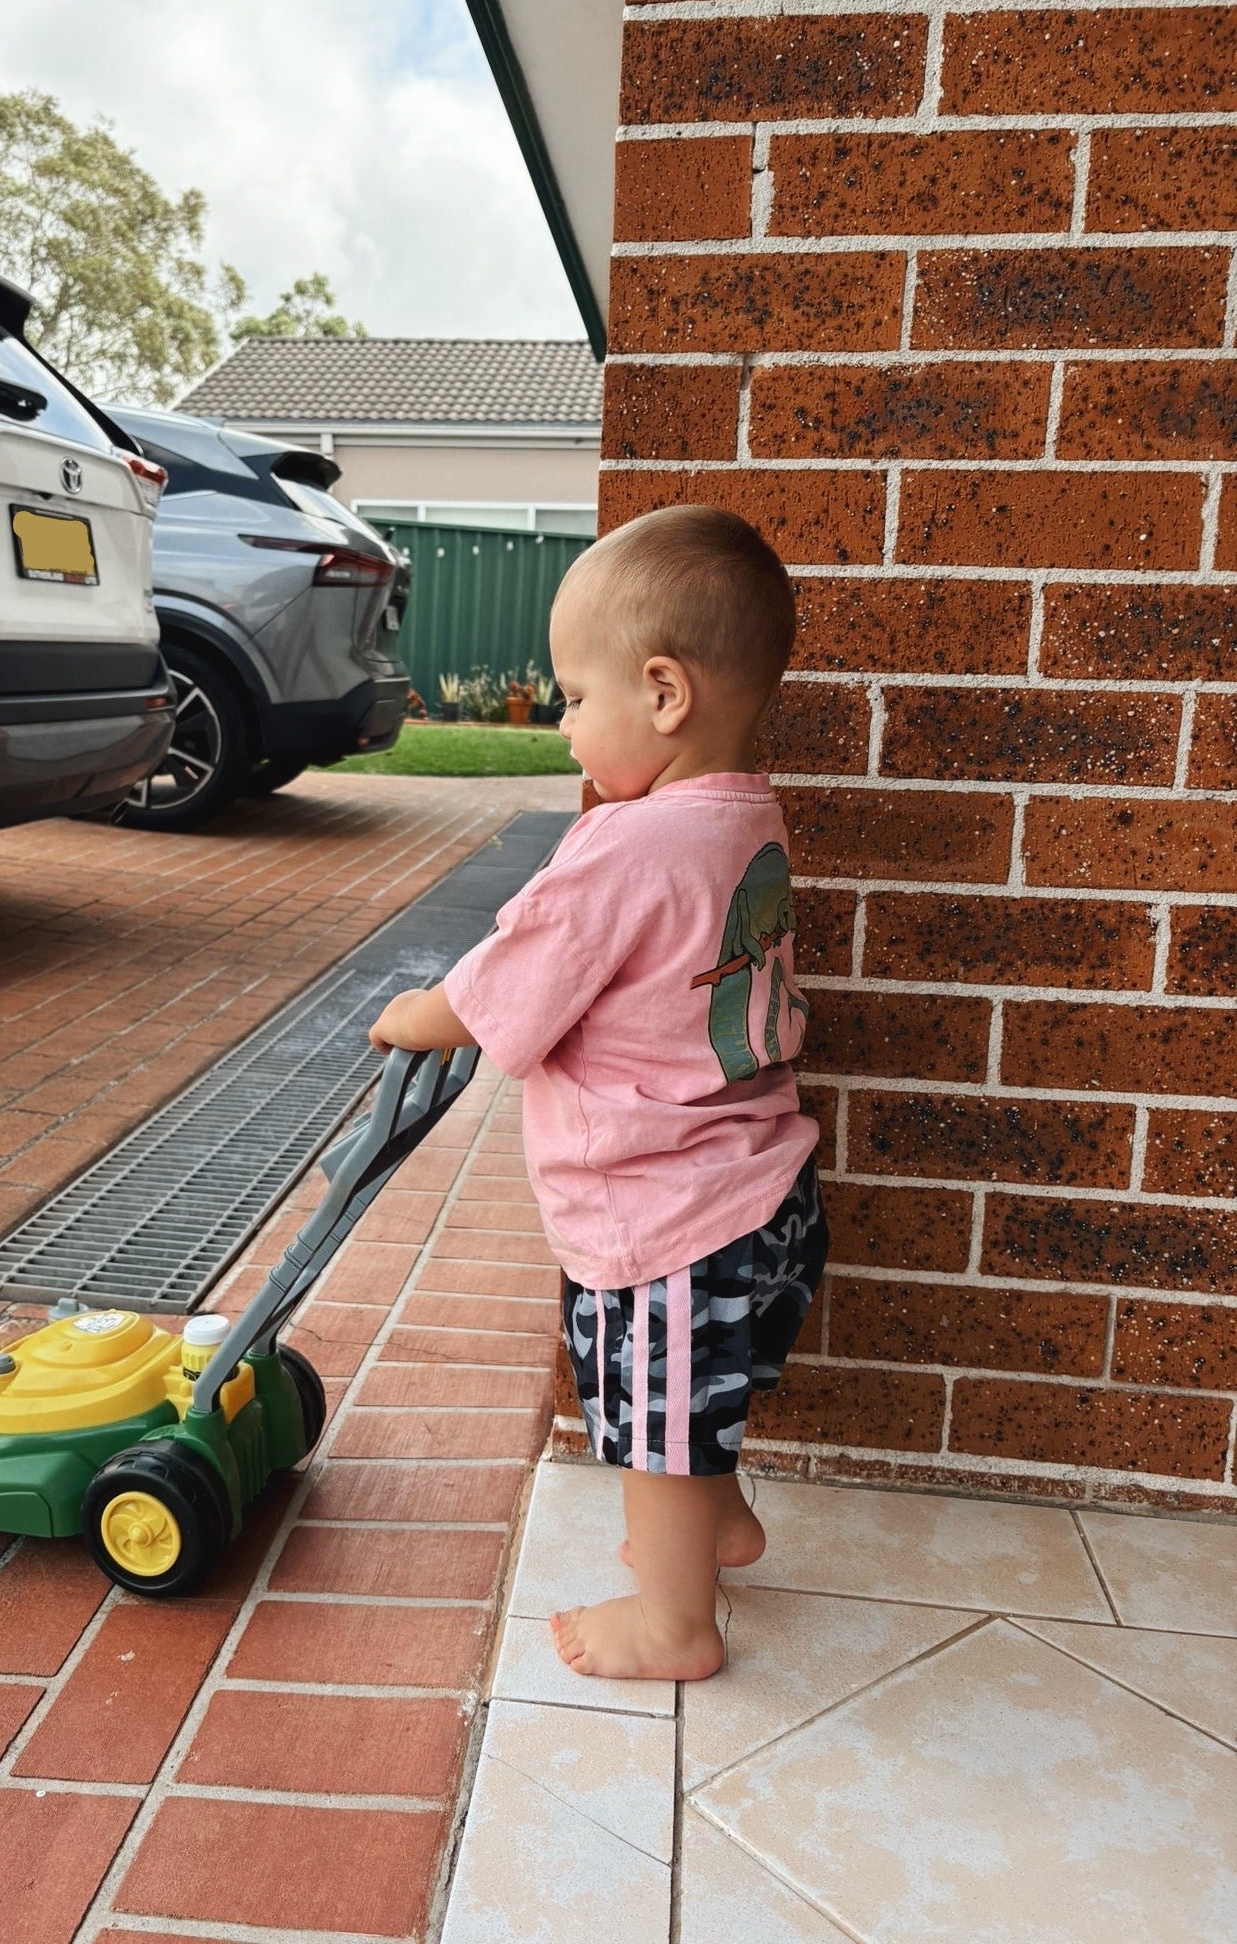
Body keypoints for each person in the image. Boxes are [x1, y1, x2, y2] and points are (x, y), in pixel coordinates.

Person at [367, 505, 827, 1683]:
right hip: (767, 1187)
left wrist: (417, 1011)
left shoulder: (624, 842)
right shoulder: (746, 819)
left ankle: (675, 1620)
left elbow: (510, 984)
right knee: (704, 1394)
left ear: (662, 693)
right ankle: (717, 1524)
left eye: (574, 695)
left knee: (660, 1415)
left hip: (668, 1219)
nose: (564, 721)